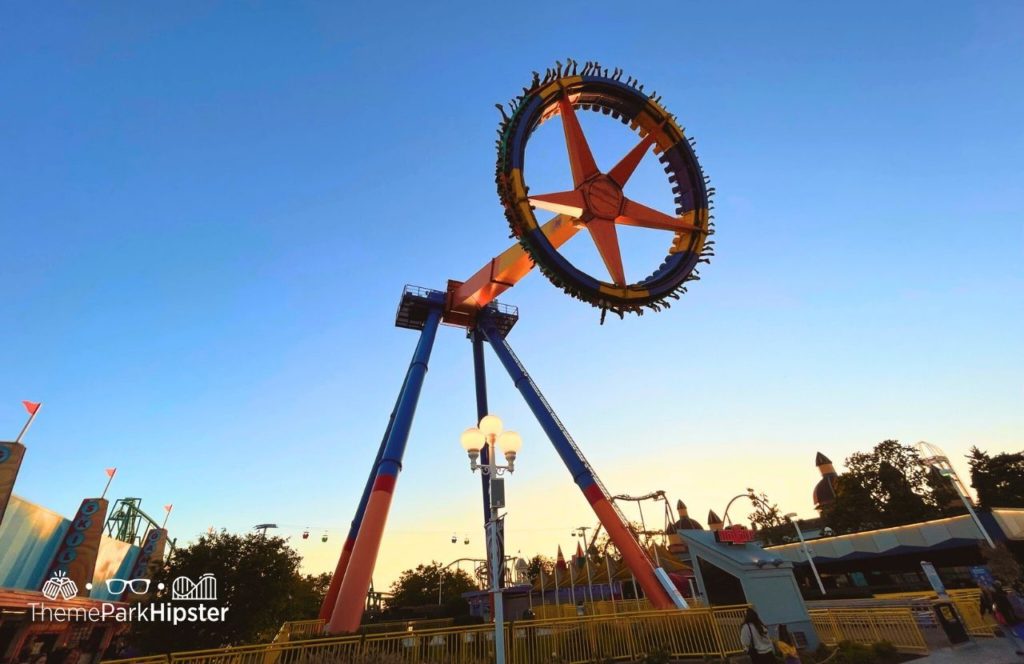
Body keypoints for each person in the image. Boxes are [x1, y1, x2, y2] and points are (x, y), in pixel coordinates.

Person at [991, 580, 1024, 656]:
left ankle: (1020, 649)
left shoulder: (997, 597)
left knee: (1020, 632)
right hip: (1019, 616)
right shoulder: (1007, 594)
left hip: (1011, 618)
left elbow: (997, 609)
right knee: (1021, 630)